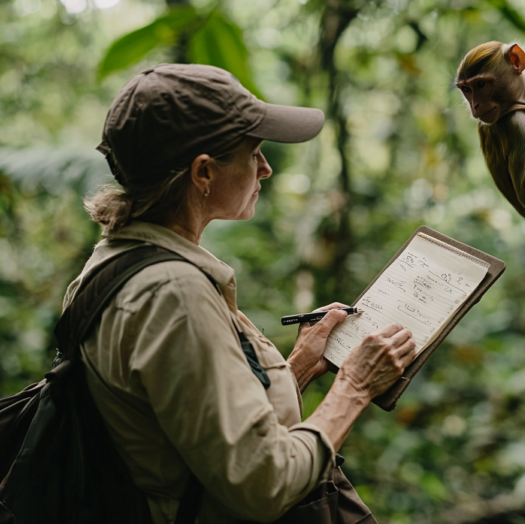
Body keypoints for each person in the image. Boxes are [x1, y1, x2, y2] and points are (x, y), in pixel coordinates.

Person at [65, 63, 417, 523]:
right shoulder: (172, 295)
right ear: (204, 173)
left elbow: (196, 425)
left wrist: (300, 366)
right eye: (254, 153)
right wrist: (354, 387)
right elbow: (263, 484)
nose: (266, 168)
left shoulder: (112, 264)